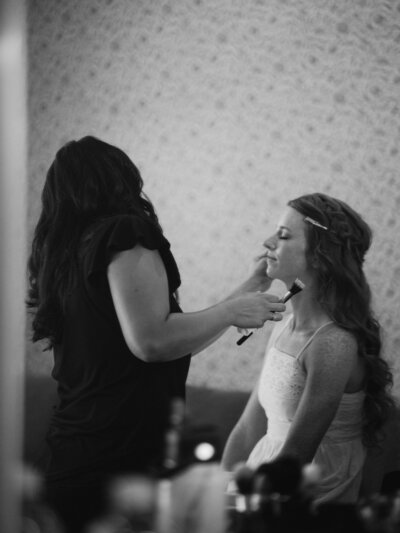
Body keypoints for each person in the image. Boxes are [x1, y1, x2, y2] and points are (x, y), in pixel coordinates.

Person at [26, 136, 285, 532]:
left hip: (75, 452)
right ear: (121, 179)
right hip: (119, 456)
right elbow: (152, 342)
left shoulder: (66, 256)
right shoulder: (125, 232)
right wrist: (231, 311)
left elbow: (171, 336)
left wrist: (249, 287)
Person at [222, 193, 394, 505]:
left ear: (319, 255)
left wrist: (242, 510)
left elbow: (296, 457)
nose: (267, 241)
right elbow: (249, 427)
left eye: (283, 235)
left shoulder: (333, 343)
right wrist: (218, 491)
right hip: (262, 479)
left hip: (306, 493)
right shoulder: (284, 326)